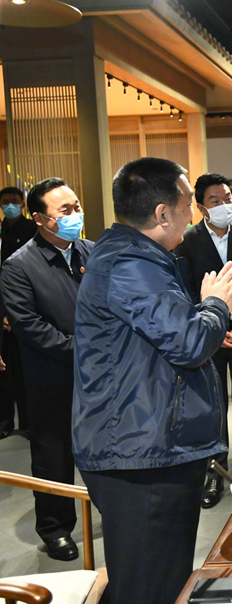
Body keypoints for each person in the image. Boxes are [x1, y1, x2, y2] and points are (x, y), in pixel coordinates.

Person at [72, 157, 232, 604]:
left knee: (159, 576)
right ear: (162, 213)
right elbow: (189, 344)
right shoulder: (131, 263)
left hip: (145, 440)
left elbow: (165, 334)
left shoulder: (139, 256)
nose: (194, 213)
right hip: (140, 452)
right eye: (189, 202)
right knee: (151, 585)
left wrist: (204, 311)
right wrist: (217, 305)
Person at [0, 178, 92, 561]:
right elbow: (29, 327)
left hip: (100, 375)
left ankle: (113, 510)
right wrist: (85, 351)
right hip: (51, 377)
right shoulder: (19, 266)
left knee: (104, 446)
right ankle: (56, 528)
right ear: (39, 218)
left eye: (76, 207)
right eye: (65, 211)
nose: (75, 215)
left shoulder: (92, 251)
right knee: (53, 455)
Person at [175, 173, 232, 509]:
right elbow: (185, 289)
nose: (225, 205)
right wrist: (211, 323)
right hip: (206, 334)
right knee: (214, 406)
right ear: (201, 207)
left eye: (228, 198)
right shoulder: (187, 240)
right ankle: (216, 471)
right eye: (215, 201)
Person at [0, 186, 37, 439]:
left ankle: (28, 422)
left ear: (23, 203)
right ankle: (4, 422)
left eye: (15, 201)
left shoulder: (32, 230)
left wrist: (16, 312)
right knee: (4, 371)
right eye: (6, 201)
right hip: (2, 308)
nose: (10, 205)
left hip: (25, 307)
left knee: (26, 369)